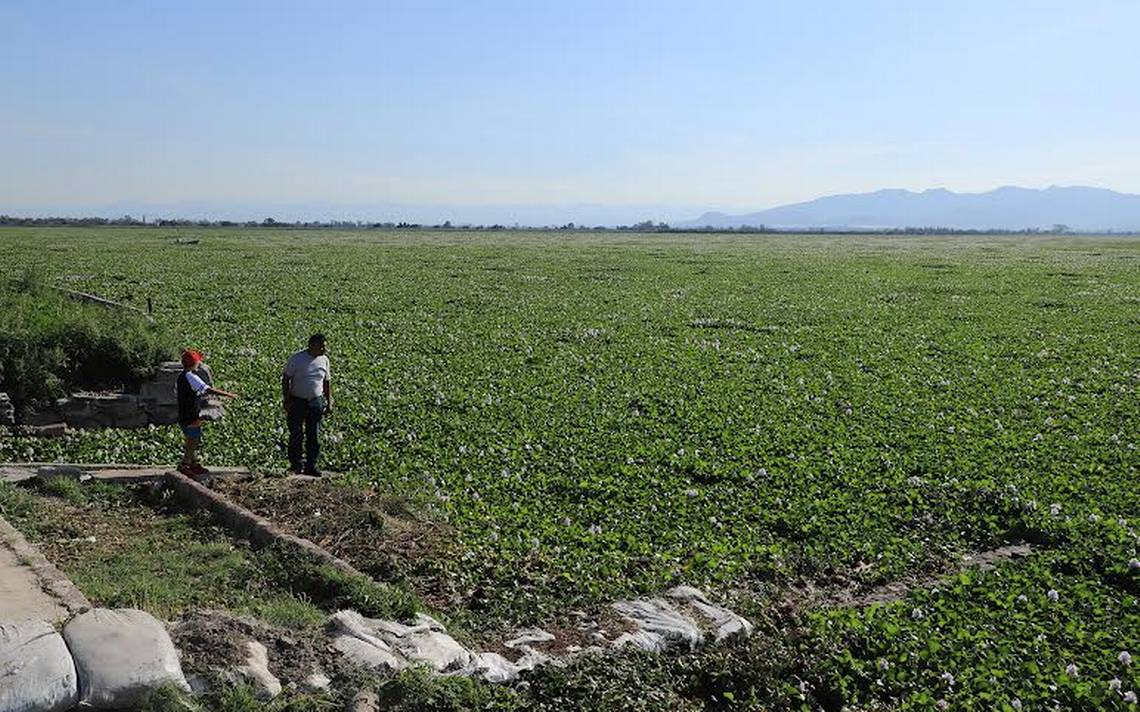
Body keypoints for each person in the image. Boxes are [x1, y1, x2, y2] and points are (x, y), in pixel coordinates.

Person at [177, 349, 237, 476]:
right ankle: (184, 464)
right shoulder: (191, 376)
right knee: (193, 440)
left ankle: (193, 463)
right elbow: (208, 390)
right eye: (198, 362)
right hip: (190, 413)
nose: (199, 364)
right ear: (194, 363)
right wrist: (228, 395)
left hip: (184, 412)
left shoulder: (182, 376)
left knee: (193, 438)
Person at [282, 333, 332, 475]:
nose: (324, 349)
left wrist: (329, 402)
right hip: (297, 401)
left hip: (315, 401)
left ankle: (311, 465)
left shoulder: (324, 360)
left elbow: (327, 382)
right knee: (296, 434)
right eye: (322, 346)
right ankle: (295, 465)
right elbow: (286, 378)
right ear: (313, 345)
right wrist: (286, 399)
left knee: (314, 434)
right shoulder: (297, 359)